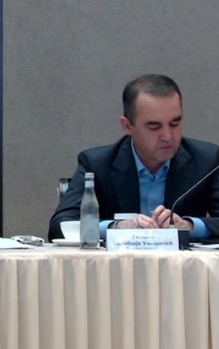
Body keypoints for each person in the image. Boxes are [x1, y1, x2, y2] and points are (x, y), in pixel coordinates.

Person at [48, 74, 219, 241]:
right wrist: (117, 227)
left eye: (175, 123)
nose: (167, 136)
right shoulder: (97, 164)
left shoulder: (207, 161)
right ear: (128, 126)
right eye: (154, 126)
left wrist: (190, 226)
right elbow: (60, 227)